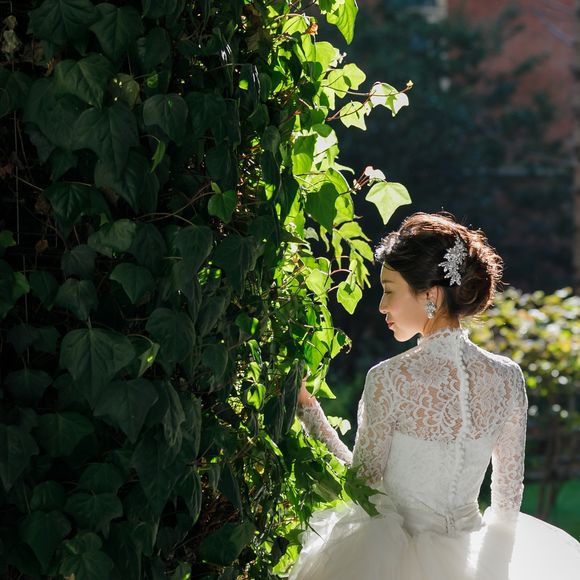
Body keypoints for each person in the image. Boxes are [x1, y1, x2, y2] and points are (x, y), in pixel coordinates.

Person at [289, 212, 580, 580]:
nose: (381, 306)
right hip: (478, 561)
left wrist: (308, 410)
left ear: (430, 295)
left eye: (389, 290)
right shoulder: (507, 378)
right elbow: (507, 503)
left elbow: (361, 487)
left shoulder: (390, 379)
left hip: (388, 562)